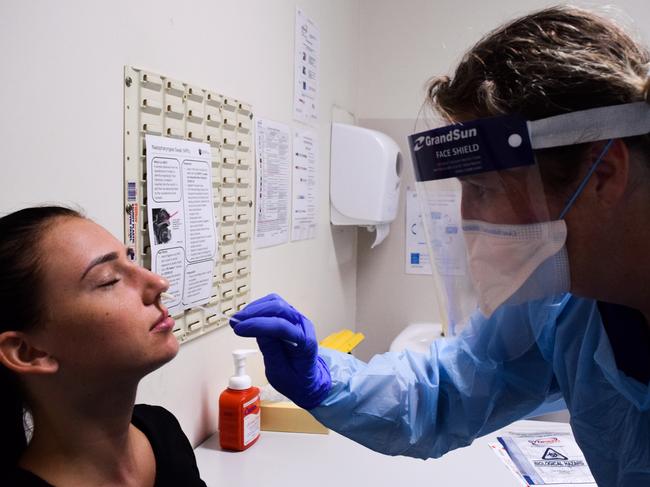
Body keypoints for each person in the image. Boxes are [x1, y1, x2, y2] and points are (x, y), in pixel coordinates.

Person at [231, 6, 650, 486]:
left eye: (486, 188)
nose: (466, 216)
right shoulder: (563, 307)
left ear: (603, 174)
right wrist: (327, 381)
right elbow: (452, 386)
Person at [0, 206, 206, 486]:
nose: (159, 283)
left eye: (131, 259)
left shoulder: (162, 433)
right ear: (29, 351)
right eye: (109, 280)